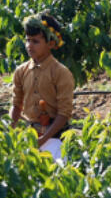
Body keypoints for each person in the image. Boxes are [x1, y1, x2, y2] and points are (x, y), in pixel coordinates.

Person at [10, 12, 74, 164]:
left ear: (51, 44)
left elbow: (64, 113)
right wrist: (11, 131)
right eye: (27, 41)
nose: (29, 46)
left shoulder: (60, 72)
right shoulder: (21, 71)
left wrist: (43, 139)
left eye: (35, 41)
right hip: (30, 136)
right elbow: (16, 105)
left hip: (55, 138)